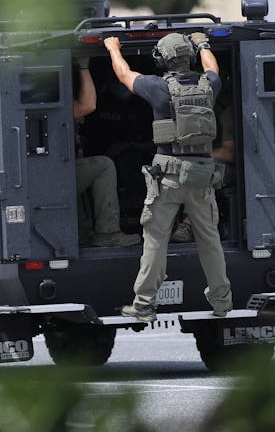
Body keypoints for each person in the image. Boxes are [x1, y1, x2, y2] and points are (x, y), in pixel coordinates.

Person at [103, 33, 233, 320]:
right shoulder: (209, 85)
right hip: (201, 176)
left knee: (155, 241)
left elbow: (124, 74)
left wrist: (113, 48)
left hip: (167, 179)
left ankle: (144, 305)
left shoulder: (158, 87)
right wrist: (204, 44)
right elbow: (212, 68)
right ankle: (222, 304)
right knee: (210, 241)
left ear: (161, 59)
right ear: (188, 56)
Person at [73, 58, 141, 247]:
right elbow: (88, 105)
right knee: (103, 166)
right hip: (52, 174)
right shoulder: (97, 102)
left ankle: (84, 232)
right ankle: (107, 232)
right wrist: (84, 65)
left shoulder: (138, 107)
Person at [170, 102, 234, 243]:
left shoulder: (228, 114)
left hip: (232, 169)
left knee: (201, 171)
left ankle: (188, 224)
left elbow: (231, 153)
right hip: (208, 162)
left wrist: (199, 157)